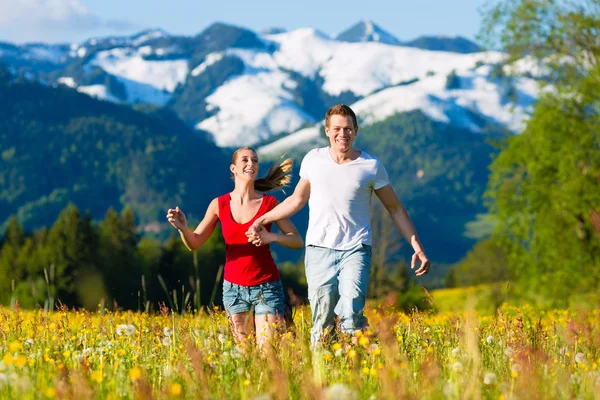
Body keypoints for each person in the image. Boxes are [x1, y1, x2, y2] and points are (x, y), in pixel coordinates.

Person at [248, 104, 430, 345]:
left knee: (351, 317)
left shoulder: (371, 166)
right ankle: (320, 374)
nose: (342, 134)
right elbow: (296, 200)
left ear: (355, 130)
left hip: (356, 249)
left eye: (347, 129)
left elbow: (395, 208)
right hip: (318, 250)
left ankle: (359, 370)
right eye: (336, 129)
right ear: (327, 131)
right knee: (322, 321)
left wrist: (416, 245)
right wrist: (262, 219)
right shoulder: (313, 160)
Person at [166, 147, 303, 348]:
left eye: (255, 160)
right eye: (245, 160)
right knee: (245, 355)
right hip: (234, 290)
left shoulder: (270, 204)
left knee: (267, 353)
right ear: (233, 168)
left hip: (266, 287)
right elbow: (194, 243)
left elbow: (297, 240)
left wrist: (270, 236)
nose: (251, 164)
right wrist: (183, 229)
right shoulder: (219, 204)